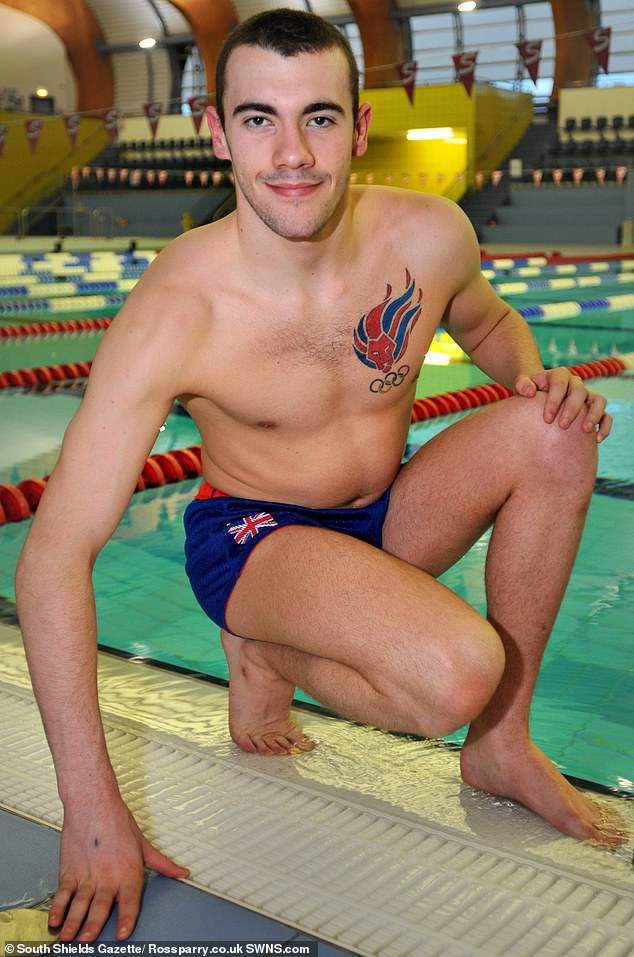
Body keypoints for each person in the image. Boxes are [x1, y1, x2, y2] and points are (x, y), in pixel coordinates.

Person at [15, 7, 625, 945]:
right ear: (218, 134)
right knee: (458, 675)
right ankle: (260, 647)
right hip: (255, 539)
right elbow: (52, 554)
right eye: (259, 118)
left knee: (557, 431)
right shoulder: (177, 309)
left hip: (386, 512)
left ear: (359, 126)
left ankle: (502, 746)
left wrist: (534, 375)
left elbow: (492, 322)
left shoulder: (430, 235)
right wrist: (91, 807)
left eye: (319, 118)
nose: (291, 153)